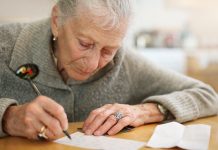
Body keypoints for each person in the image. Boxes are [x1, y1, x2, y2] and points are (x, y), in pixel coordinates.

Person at [0, 0, 217, 141]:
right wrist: (8, 117)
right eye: (85, 44)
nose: (94, 64)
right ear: (57, 21)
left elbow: (208, 96)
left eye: (108, 50)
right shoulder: (5, 43)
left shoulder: (126, 63)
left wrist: (143, 111)